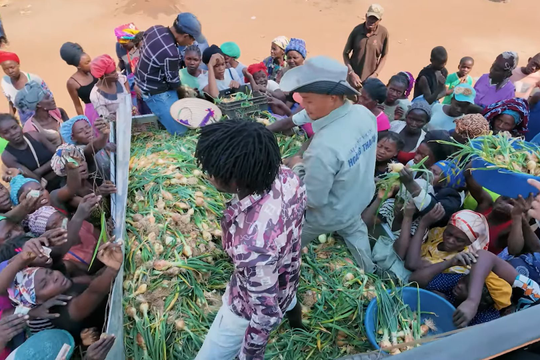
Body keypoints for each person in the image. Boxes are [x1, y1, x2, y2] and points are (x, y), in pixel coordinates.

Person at [193, 120, 306, 360]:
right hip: (289, 273)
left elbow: (266, 314)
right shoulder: (286, 176)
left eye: (212, 171)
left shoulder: (250, 244)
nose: (209, 176)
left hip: (244, 307)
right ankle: (298, 326)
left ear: (234, 182)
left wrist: (249, 355)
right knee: (289, 299)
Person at [280, 56, 377, 272]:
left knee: (287, 245)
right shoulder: (363, 113)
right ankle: (369, 271)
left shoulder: (324, 147)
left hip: (327, 214)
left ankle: (282, 268)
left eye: (308, 100)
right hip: (358, 200)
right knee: (353, 228)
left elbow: (313, 199)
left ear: (332, 97)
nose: (304, 105)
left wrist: (296, 165)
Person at [0, 241, 122, 342]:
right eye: (45, 284)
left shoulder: (61, 285)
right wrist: (112, 269)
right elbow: (95, 292)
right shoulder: (62, 313)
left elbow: (59, 251)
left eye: (49, 272)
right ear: (39, 301)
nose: (54, 277)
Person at [135, 12, 204, 135]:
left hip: (142, 79)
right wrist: (186, 92)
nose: (192, 43)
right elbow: (173, 82)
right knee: (181, 131)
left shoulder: (155, 29)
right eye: (192, 39)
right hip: (156, 92)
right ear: (185, 36)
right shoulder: (171, 53)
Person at [0, 115, 61, 191]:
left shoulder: (35, 136)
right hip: (44, 188)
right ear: (1, 136)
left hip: (62, 174)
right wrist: (53, 162)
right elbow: (34, 179)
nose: (13, 133)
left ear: (20, 126)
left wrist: (38, 171)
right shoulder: (7, 156)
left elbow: (60, 155)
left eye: (14, 127)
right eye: (6, 132)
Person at [343, 3, 389, 87]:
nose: (371, 21)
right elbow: (345, 54)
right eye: (370, 17)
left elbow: (384, 56)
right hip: (352, 81)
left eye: (374, 19)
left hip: (369, 83)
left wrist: (375, 75)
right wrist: (351, 73)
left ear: (380, 20)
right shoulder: (357, 31)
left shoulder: (383, 33)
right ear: (366, 16)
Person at [0, 51, 52, 123]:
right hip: (25, 120)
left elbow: (49, 97)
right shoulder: (5, 82)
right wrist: (11, 119)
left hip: (44, 118)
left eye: (12, 67)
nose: (10, 71)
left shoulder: (34, 79)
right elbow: (11, 102)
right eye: (5, 69)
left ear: (18, 64)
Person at [59, 116, 112, 183]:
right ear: (73, 138)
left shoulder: (102, 144)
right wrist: (104, 135)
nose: (87, 131)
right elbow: (94, 147)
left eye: (88, 127)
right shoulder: (78, 151)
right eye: (80, 131)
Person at [17, 81, 67, 147]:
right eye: (47, 98)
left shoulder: (55, 112)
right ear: (38, 104)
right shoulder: (30, 128)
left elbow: (62, 112)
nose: (52, 98)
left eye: (50, 95)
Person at [60, 43, 99, 126]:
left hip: (105, 106)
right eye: (87, 63)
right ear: (78, 66)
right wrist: (84, 122)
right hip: (92, 113)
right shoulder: (72, 83)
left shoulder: (94, 71)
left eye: (90, 60)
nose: (91, 64)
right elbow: (78, 106)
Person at [89, 54, 131, 119]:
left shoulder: (120, 79)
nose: (116, 74)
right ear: (102, 76)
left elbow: (127, 91)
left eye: (115, 70)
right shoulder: (96, 96)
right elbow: (106, 119)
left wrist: (132, 107)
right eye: (112, 73)